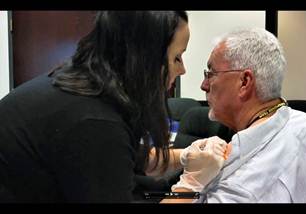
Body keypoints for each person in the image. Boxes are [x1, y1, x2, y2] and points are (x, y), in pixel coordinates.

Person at [0, 11, 226, 203]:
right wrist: (192, 183)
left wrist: (184, 156)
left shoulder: (91, 84)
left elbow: (126, 157)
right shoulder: (93, 120)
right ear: (143, 58)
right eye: (177, 57)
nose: (183, 70)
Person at [193, 27, 306, 203]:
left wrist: (190, 183)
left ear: (244, 82)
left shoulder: (242, 190)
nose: (204, 85)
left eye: (210, 73)